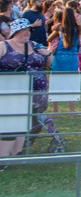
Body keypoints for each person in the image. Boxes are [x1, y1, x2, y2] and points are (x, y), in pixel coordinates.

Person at [0, 18, 55, 158]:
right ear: (15, 32)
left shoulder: (35, 45)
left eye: (28, 30)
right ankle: (6, 156)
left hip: (36, 92)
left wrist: (48, 54)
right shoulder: (4, 46)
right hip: (11, 92)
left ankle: (17, 152)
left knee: (27, 120)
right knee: (12, 122)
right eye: (23, 30)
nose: (26, 32)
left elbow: (49, 63)